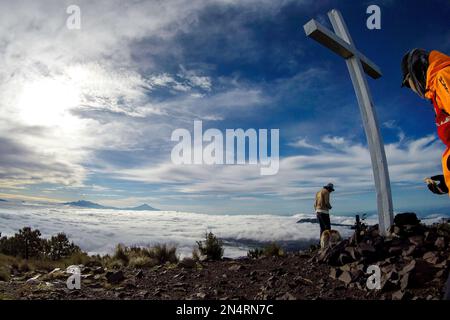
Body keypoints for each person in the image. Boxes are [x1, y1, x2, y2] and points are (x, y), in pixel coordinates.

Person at [401, 49, 450, 196]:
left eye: (409, 84)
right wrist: (447, 182)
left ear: (416, 70)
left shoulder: (443, 76)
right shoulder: (437, 92)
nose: (413, 90)